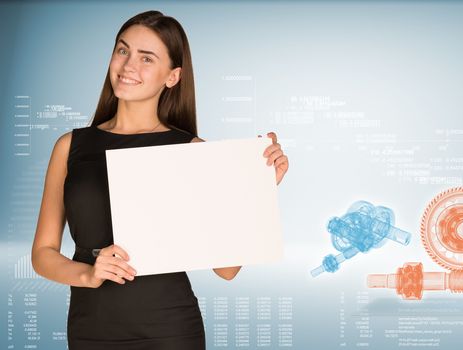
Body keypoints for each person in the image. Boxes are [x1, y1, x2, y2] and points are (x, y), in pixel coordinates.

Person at [30, 10, 289, 350]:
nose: (128, 66)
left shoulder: (193, 151)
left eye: (146, 58)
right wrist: (88, 274)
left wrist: (257, 190)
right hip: (90, 330)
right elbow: (42, 253)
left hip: (170, 331)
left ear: (172, 76)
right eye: (123, 50)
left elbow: (226, 270)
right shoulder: (70, 146)